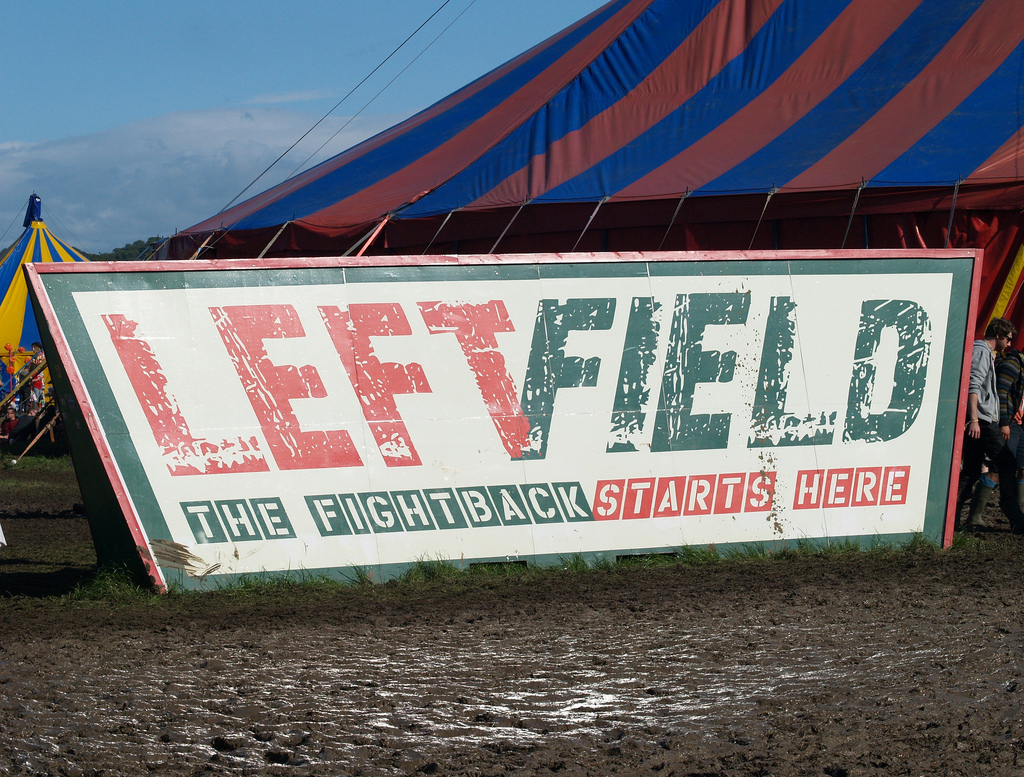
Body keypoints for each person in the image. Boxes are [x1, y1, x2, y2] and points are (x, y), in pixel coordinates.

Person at [957, 317, 1024, 532]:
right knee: (1007, 462)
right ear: (998, 335)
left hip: (983, 419)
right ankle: (1011, 510)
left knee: (971, 470)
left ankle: (953, 517)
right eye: (1008, 339)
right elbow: (973, 385)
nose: (1009, 344)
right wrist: (974, 419)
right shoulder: (982, 351)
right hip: (983, 421)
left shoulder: (987, 353)